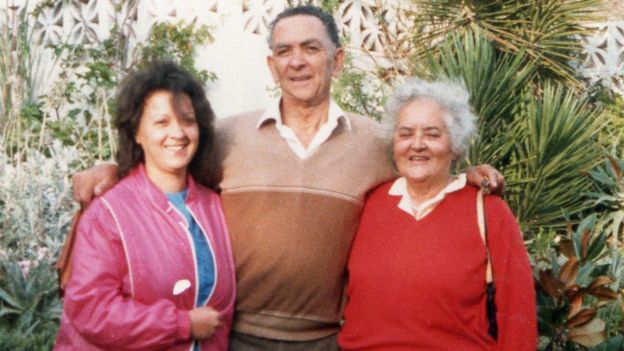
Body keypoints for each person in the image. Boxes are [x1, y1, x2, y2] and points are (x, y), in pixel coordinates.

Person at [71, 6, 504, 350]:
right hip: (234, 335)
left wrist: (466, 174)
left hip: (326, 341)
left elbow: (421, 169)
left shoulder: (374, 142)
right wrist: (110, 170)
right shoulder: (226, 136)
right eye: (284, 51)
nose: (296, 61)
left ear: (337, 60)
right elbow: (165, 161)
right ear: (271, 64)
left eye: (311, 48)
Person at [338, 79, 536, 350]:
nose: (417, 145)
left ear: (455, 145)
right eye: (405, 134)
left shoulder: (489, 212)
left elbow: (518, 315)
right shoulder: (368, 204)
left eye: (432, 134)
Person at [55, 61, 236, 350]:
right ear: (137, 133)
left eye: (187, 120)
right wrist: (182, 324)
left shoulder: (212, 205)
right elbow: (91, 310)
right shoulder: (109, 213)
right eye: (161, 122)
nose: (177, 132)